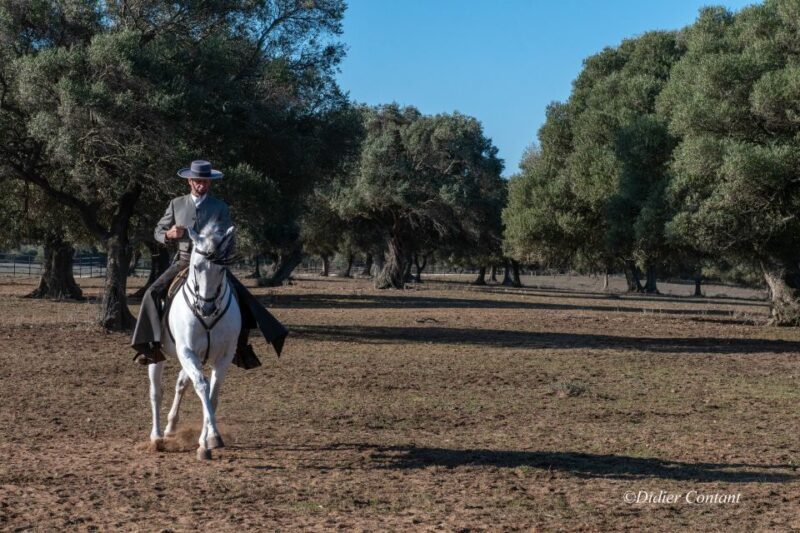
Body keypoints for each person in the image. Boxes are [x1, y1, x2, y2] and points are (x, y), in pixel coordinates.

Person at [131, 160, 287, 368]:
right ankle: (151, 347)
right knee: (152, 292)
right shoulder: (176, 204)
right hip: (184, 261)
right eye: (198, 181)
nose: (202, 185)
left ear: (210, 182)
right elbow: (158, 231)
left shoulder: (220, 207)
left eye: (205, 182)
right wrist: (169, 234)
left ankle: (240, 348)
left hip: (213, 262)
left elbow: (228, 235)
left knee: (244, 298)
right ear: (189, 181)